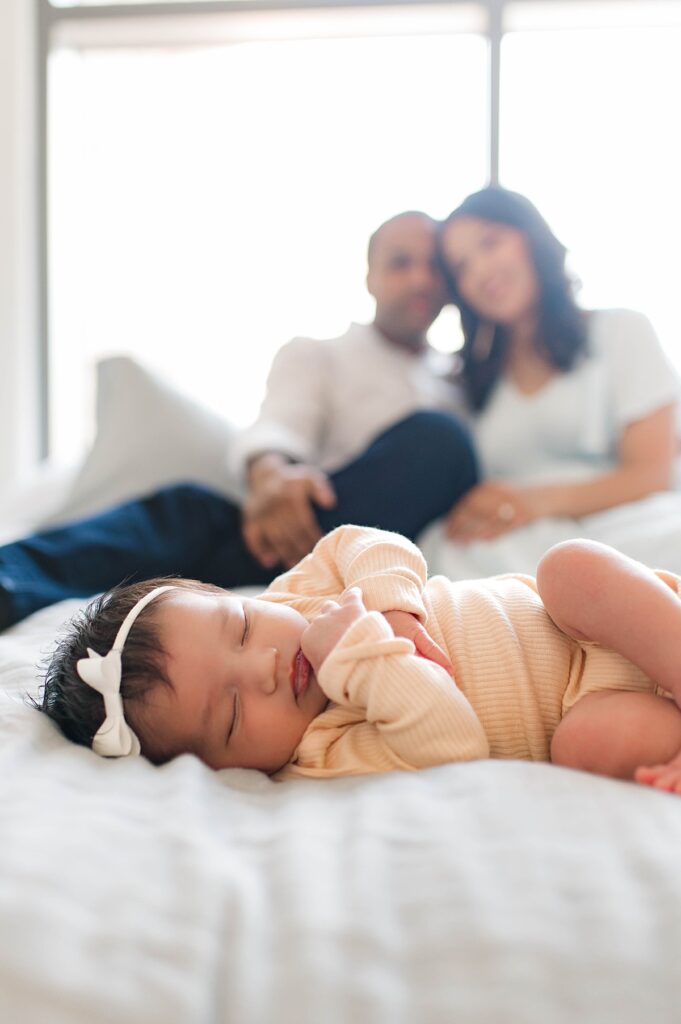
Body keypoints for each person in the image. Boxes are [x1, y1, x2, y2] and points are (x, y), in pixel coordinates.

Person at [0, 211, 477, 630]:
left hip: (387, 541)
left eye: (434, 266)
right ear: (370, 276)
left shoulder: (462, 383)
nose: (420, 280)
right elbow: (280, 428)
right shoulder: (319, 354)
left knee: (441, 439)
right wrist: (272, 479)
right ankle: (11, 579)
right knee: (187, 509)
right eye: (400, 262)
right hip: (299, 526)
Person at [34, 524, 681, 794]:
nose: (259, 667)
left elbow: (367, 542)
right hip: (588, 707)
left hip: (591, 626)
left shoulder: (303, 594)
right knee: (583, 746)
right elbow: (453, 740)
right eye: (230, 713)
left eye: (239, 627)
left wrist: (393, 607)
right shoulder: (322, 752)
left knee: (569, 568)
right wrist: (360, 662)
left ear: (228, 595)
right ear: (223, 766)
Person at [419, 185, 681, 578]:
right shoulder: (468, 381)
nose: (481, 272)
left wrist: (534, 501)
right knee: (439, 554)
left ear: (532, 237)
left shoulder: (623, 330)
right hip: (516, 543)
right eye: (462, 268)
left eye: (490, 243)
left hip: (626, 523)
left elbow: (650, 474)